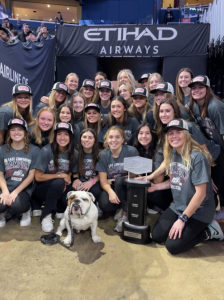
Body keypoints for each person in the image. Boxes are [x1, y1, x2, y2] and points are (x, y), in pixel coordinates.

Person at [150, 118, 223, 255]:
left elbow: (200, 194)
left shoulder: (197, 157)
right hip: (178, 206)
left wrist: (182, 219)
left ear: (187, 134)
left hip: (199, 211)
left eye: (179, 132)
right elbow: (177, 180)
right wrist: (156, 187)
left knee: (172, 247)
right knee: (157, 236)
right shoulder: (173, 154)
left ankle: (209, 231)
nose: (174, 136)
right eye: (171, 133)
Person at [188, 75, 224, 221]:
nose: (196, 90)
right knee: (216, 183)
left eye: (200, 87)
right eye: (194, 88)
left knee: (219, 183)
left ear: (207, 89)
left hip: (221, 150)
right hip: (212, 150)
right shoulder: (196, 105)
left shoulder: (216, 106)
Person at [33, 122, 78, 232]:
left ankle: (60, 209)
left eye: (66, 134)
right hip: (42, 189)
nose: (62, 137)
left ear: (71, 137)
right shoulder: (46, 151)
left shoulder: (74, 153)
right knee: (59, 182)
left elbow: (71, 172)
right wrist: (61, 176)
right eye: (59, 134)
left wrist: (67, 177)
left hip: (59, 187)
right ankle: (46, 216)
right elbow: (38, 177)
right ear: (54, 136)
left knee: (72, 194)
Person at [96, 126, 139, 232]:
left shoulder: (131, 151)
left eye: (117, 137)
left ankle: (125, 216)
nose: (114, 140)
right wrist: (110, 192)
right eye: (111, 137)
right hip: (111, 186)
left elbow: (134, 174)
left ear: (123, 139)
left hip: (127, 185)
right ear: (106, 139)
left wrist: (116, 180)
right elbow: (103, 180)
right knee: (105, 205)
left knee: (120, 181)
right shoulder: (103, 155)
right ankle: (118, 208)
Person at [0, 118, 39, 228]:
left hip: (23, 190)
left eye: (20, 130)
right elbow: (0, 174)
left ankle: (26, 212)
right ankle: (2, 213)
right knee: (1, 203)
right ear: (8, 133)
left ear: (25, 132)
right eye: (13, 130)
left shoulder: (34, 150)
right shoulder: (2, 150)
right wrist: (5, 191)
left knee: (17, 205)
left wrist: (15, 192)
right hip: (5, 187)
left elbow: (31, 176)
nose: (16, 132)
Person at [133, 123, 171, 211]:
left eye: (147, 133)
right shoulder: (135, 149)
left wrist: (144, 183)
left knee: (145, 193)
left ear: (152, 135)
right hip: (148, 182)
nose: (143, 136)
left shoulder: (159, 149)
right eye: (140, 133)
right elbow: (135, 173)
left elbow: (159, 178)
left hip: (162, 186)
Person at [73, 129, 103, 215]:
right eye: (84, 137)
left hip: (94, 180)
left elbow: (102, 173)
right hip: (80, 179)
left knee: (95, 191)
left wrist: (91, 182)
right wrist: (76, 179)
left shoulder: (100, 154)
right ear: (80, 139)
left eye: (90, 137)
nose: (87, 140)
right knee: (75, 190)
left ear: (94, 140)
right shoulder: (76, 152)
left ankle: (95, 205)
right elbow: (73, 168)